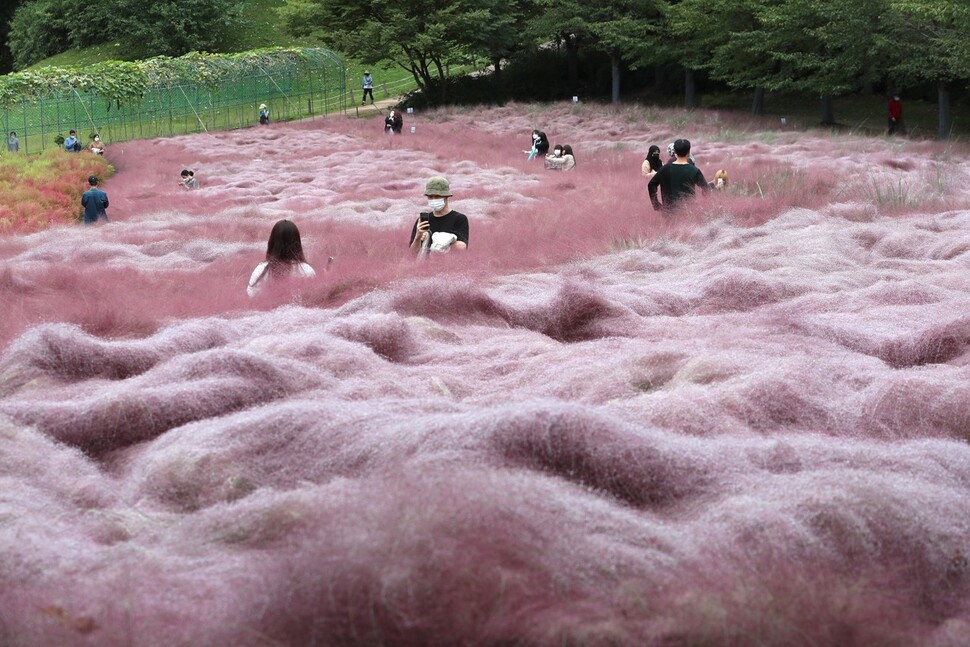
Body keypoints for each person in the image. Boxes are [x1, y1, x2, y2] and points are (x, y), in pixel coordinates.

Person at [247, 219, 317, 297]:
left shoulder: (261, 270)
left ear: (272, 242)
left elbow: (251, 296)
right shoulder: (306, 271)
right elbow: (313, 298)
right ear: (297, 244)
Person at [408, 176, 469, 257]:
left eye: (437, 196)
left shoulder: (459, 219)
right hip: (425, 267)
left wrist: (438, 240)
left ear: (446, 196)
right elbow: (412, 254)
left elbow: (462, 247)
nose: (433, 199)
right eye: (430, 196)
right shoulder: (423, 221)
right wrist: (418, 237)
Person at [648, 138, 709, 212]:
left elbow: (651, 185)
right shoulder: (694, 170)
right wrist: (704, 201)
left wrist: (656, 205)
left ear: (675, 151)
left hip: (668, 213)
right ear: (689, 152)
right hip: (689, 213)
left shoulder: (664, 169)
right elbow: (706, 188)